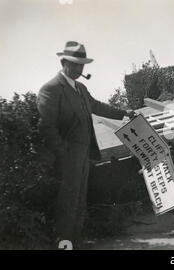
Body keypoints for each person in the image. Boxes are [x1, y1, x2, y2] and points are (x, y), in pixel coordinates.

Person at [37, 41, 135, 248]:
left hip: (83, 154)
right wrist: (63, 155)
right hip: (67, 158)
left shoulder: (80, 88)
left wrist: (123, 113)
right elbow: (46, 128)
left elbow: (97, 106)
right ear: (64, 63)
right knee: (67, 203)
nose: (80, 69)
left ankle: (75, 242)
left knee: (80, 200)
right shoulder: (51, 89)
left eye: (82, 65)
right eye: (76, 64)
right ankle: (63, 243)